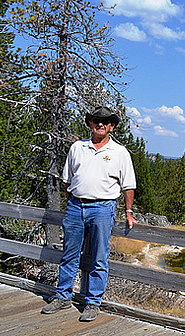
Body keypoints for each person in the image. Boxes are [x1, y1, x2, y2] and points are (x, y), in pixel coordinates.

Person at [41, 106, 137, 322]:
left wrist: (128, 212)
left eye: (105, 121)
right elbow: (68, 180)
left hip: (103, 208)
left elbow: (128, 186)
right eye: (96, 120)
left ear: (111, 126)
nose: (100, 124)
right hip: (75, 207)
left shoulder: (120, 152)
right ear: (90, 123)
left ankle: (93, 302)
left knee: (99, 257)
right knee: (69, 254)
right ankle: (63, 296)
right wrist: (73, 203)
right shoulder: (77, 147)